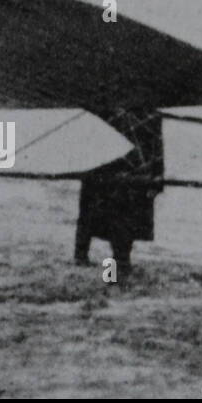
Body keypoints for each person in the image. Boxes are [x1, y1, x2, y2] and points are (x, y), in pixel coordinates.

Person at [74, 110, 164, 284]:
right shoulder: (108, 108)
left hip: (128, 175)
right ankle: (101, 268)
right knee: (106, 225)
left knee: (120, 230)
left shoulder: (148, 113)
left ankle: (111, 274)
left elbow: (156, 144)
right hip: (110, 173)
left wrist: (157, 178)